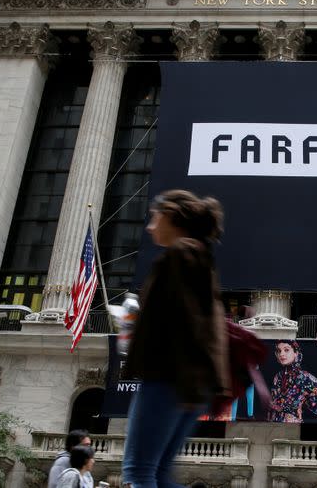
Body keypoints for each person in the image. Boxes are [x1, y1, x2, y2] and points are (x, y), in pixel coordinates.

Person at [121, 190, 230, 488]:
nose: (150, 226)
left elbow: (187, 323)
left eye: (155, 217)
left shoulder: (179, 255)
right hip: (188, 380)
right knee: (157, 474)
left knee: (139, 472)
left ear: (171, 217)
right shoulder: (199, 258)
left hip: (169, 376)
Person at [269, 340, 317, 423]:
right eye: (279, 351)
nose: (281, 354)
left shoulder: (303, 376)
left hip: (293, 428)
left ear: (296, 353)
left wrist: (308, 403)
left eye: (286, 350)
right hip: (274, 426)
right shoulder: (278, 376)